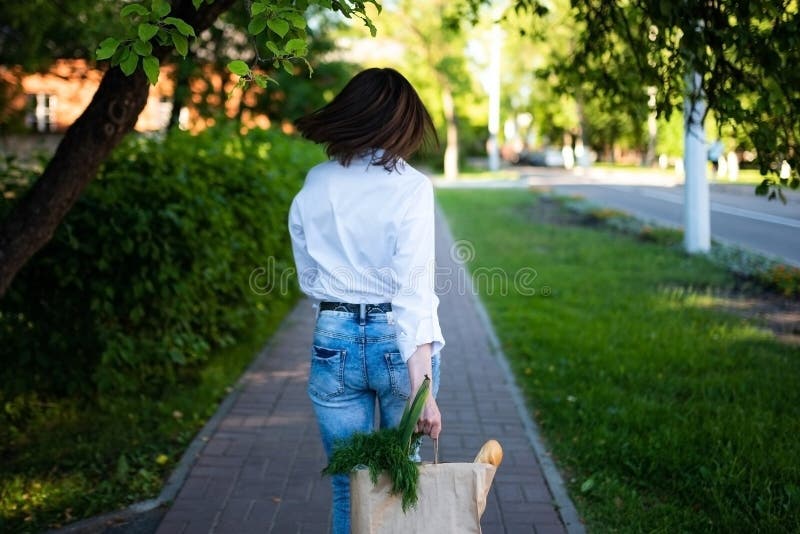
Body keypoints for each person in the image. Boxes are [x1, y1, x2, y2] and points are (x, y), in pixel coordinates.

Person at [288, 68, 445, 534]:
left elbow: (309, 274)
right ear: (401, 122)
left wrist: (337, 315)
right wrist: (422, 391)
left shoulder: (317, 181)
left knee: (348, 486)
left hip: (332, 337)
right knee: (400, 479)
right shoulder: (411, 186)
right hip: (397, 346)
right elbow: (413, 291)